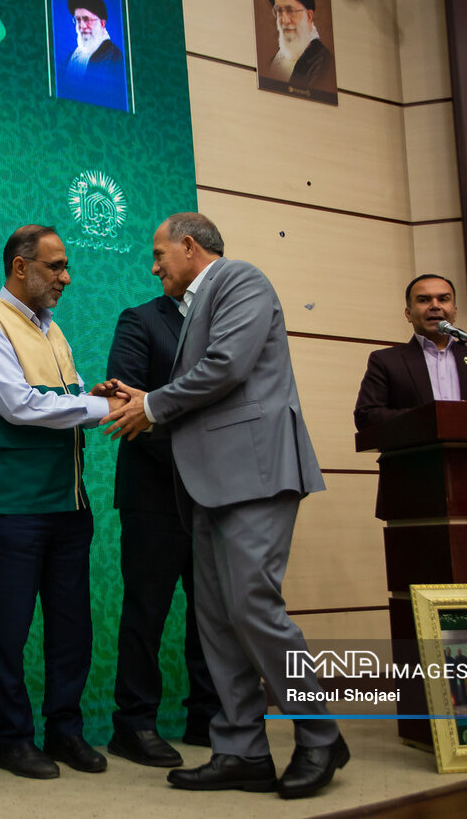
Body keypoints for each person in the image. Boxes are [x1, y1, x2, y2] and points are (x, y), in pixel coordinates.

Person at [102, 212, 345, 799]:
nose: (154, 267)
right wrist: (147, 400)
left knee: (253, 607)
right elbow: (204, 390)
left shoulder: (241, 279)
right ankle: (241, 751)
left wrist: (152, 406)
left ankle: (321, 734)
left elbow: (227, 367)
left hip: (254, 474)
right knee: (217, 620)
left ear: (189, 246)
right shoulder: (196, 303)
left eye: (159, 254)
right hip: (208, 483)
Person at [0, 225, 118, 780]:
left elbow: (62, 402)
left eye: (65, 266)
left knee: (72, 628)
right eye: (55, 266)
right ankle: (14, 739)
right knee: (9, 629)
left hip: (67, 503)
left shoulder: (52, 328)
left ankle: (65, 731)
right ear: (20, 267)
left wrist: (92, 397)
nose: (65, 277)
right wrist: (104, 410)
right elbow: (18, 405)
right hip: (11, 505)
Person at [104, 294, 220, 768]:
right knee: (146, 614)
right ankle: (134, 725)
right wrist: (201, 439)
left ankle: (208, 717)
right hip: (154, 492)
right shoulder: (141, 320)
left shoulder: (224, 320)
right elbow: (126, 407)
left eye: (160, 258)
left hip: (216, 493)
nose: (155, 266)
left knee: (212, 613)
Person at [353, 274, 467, 430]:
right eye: (424, 300)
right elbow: (366, 416)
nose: (435, 306)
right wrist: (431, 418)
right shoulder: (386, 361)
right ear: (408, 314)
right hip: (416, 445)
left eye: (443, 299)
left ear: (454, 312)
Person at [264, 0, 334, 92]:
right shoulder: (273, 64)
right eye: (279, 11)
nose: (285, 20)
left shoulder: (323, 63)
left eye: (290, 11)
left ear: (309, 16)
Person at [63, 0, 124, 82]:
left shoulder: (114, 58)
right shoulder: (71, 58)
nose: (82, 26)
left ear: (102, 24)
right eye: (78, 20)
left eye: (87, 19)